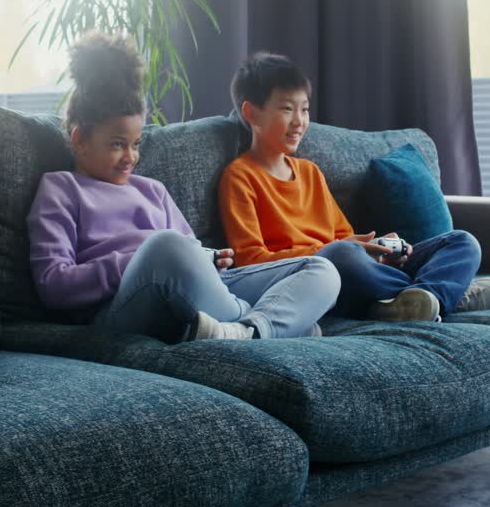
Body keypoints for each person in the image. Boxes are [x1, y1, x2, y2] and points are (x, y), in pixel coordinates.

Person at [27, 33, 339, 341]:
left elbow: (192, 255)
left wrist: (211, 258)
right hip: (122, 307)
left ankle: (252, 331)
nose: (130, 157)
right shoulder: (61, 189)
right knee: (165, 246)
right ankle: (276, 324)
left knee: (321, 269)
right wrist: (137, 259)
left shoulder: (152, 190)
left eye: (136, 144)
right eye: (117, 145)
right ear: (80, 139)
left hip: (193, 295)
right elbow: (54, 285)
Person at [218, 51, 490, 322]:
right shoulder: (240, 177)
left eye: (305, 110)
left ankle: (418, 299)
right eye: (286, 109)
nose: (299, 121)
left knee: (461, 241)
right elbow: (249, 261)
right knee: (339, 257)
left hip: (359, 269)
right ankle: (444, 294)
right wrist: (332, 249)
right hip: (316, 275)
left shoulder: (309, 172)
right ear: (252, 113)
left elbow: (344, 236)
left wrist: (378, 248)